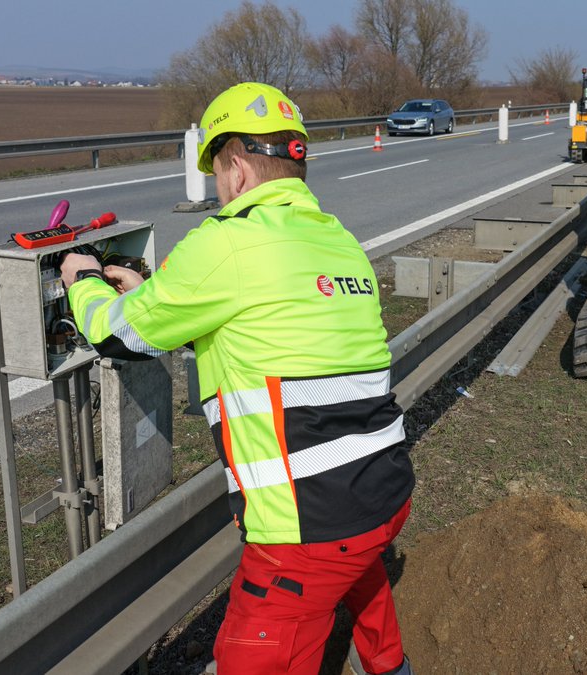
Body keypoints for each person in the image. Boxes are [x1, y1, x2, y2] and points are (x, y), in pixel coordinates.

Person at [60, 82, 416, 675]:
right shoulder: (340, 243)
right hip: (382, 491)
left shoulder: (226, 242)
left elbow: (119, 334)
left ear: (237, 167)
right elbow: (265, 323)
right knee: (362, 579)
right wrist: (152, 295)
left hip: (303, 530)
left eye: (219, 174)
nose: (220, 190)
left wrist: (84, 281)